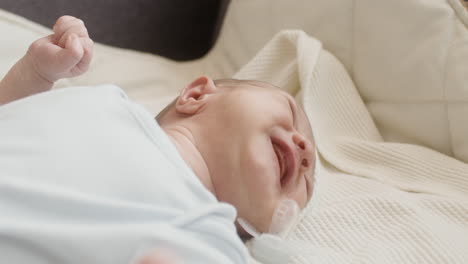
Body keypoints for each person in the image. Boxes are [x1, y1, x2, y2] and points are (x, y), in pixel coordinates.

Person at [0, 16, 316, 263]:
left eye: (308, 182)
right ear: (196, 95)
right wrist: (36, 73)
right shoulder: (110, 102)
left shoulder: (211, 236)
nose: (304, 154)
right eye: (290, 110)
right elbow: (13, 122)